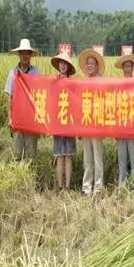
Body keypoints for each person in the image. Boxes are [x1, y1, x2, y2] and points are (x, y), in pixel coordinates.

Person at [4, 38, 40, 159]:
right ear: (19, 55)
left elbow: (40, 96)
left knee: (31, 153)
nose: (25, 56)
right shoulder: (13, 73)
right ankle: (19, 170)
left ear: (30, 55)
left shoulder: (36, 73)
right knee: (17, 153)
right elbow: (9, 97)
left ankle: (30, 170)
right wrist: (10, 118)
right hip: (17, 118)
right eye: (22, 53)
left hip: (31, 118)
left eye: (27, 53)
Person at [78, 48, 106, 196]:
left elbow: (105, 103)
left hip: (97, 125)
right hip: (85, 124)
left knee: (97, 157)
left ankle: (98, 188)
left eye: (92, 63)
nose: (89, 66)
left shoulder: (101, 81)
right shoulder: (82, 82)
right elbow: (78, 104)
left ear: (97, 66)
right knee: (87, 159)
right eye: (88, 63)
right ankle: (87, 188)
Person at [50, 51, 77, 190]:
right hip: (57, 123)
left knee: (68, 156)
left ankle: (67, 187)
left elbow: (77, 104)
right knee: (59, 156)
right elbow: (50, 103)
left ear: (68, 67)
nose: (63, 65)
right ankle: (60, 187)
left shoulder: (73, 83)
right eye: (61, 63)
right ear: (58, 65)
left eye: (65, 63)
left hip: (70, 123)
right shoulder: (53, 82)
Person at [114, 53, 134, 185]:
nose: (127, 68)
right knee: (122, 159)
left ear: (132, 67)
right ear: (122, 68)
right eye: (125, 66)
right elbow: (114, 106)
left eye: (129, 66)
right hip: (120, 126)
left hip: (133, 126)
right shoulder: (118, 85)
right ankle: (122, 186)